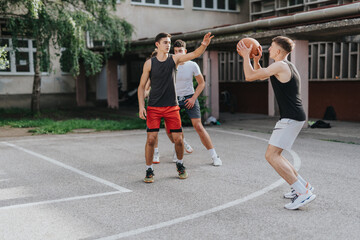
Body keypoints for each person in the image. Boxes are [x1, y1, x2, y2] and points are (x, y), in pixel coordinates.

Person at [237, 36, 316, 210]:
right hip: (294, 116)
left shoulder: (279, 65)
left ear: (279, 51)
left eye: (271, 47)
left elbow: (249, 76)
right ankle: (304, 187)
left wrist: (245, 56)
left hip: (290, 117)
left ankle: (303, 193)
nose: (268, 49)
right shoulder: (285, 65)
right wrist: (256, 61)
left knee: (271, 156)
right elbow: (260, 75)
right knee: (277, 154)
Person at [138, 32, 214, 183]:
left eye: (169, 42)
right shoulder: (149, 63)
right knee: (151, 139)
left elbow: (194, 54)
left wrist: (204, 45)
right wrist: (141, 106)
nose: (168, 45)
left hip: (172, 107)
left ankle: (180, 165)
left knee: (178, 140)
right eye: (165, 42)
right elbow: (141, 87)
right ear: (157, 45)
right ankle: (149, 169)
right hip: (154, 107)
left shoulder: (175, 59)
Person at [152, 39, 222, 166]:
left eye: (180, 51)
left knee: (198, 126)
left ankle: (214, 156)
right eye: (176, 51)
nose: (178, 53)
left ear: (185, 51)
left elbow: (201, 83)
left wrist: (194, 98)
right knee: (169, 129)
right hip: (173, 99)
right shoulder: (170, 64)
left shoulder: (193, 65)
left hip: (189, 97)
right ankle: (180, 145)